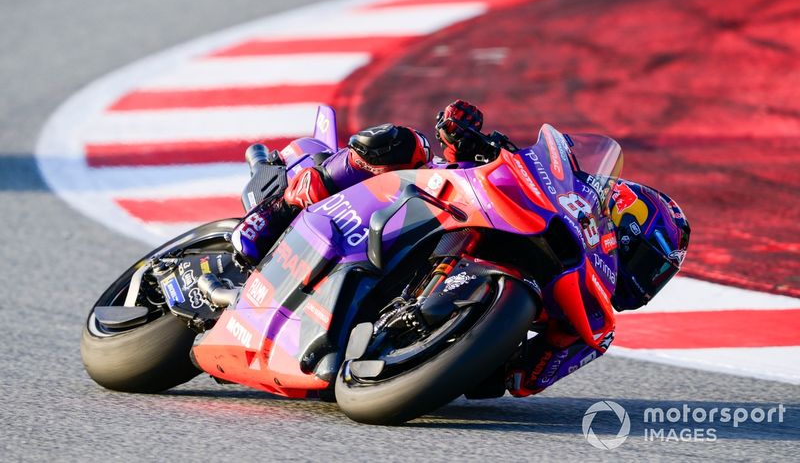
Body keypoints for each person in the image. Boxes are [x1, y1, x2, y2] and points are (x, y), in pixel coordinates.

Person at [231, 100, 691, 397]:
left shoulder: (592, 324)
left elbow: (525, 382)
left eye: (658, 279)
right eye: (651, 266)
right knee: (401, 144)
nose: (647, 284)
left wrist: (505, 352)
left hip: (436, 354)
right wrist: (464, 135)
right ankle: (280, 206)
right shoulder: (566, 199)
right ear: (627, 221)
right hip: (423, 205)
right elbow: (479, 161)